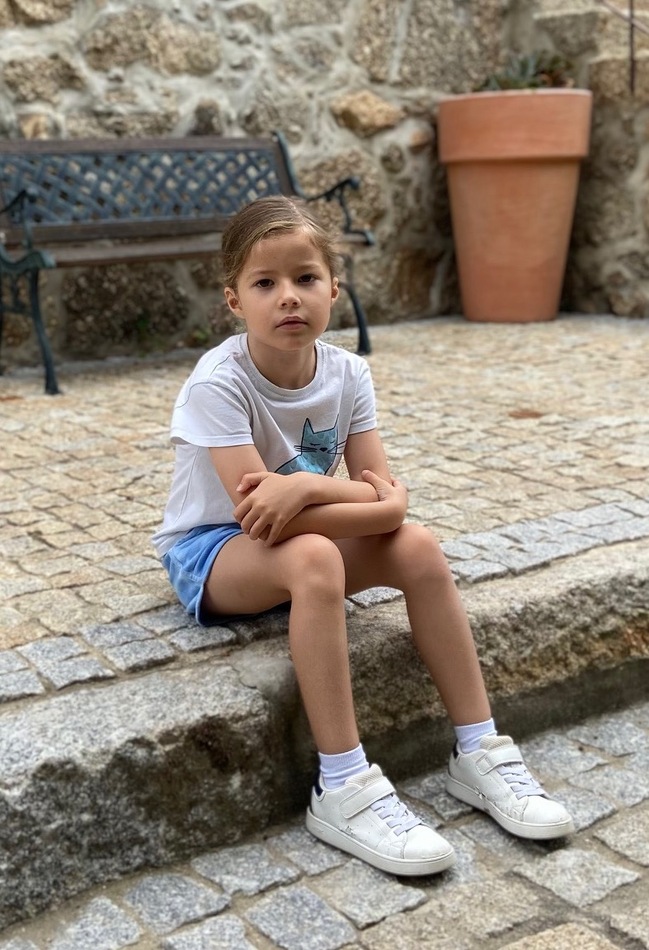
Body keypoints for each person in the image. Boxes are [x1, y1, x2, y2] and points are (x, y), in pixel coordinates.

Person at [152, 195, 574, 877]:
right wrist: (362, 503)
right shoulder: (217, 385)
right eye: (265, 283)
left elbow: (385, 510)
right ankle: (342, 784)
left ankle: (479, 749)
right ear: (234, 300)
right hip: (213, 550)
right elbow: (274, 515)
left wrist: (308, 489)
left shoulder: (348, 374)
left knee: (419, 547)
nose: (288, 297)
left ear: (333, 290)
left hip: (301, 535)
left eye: (305, 278)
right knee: (316, 557)